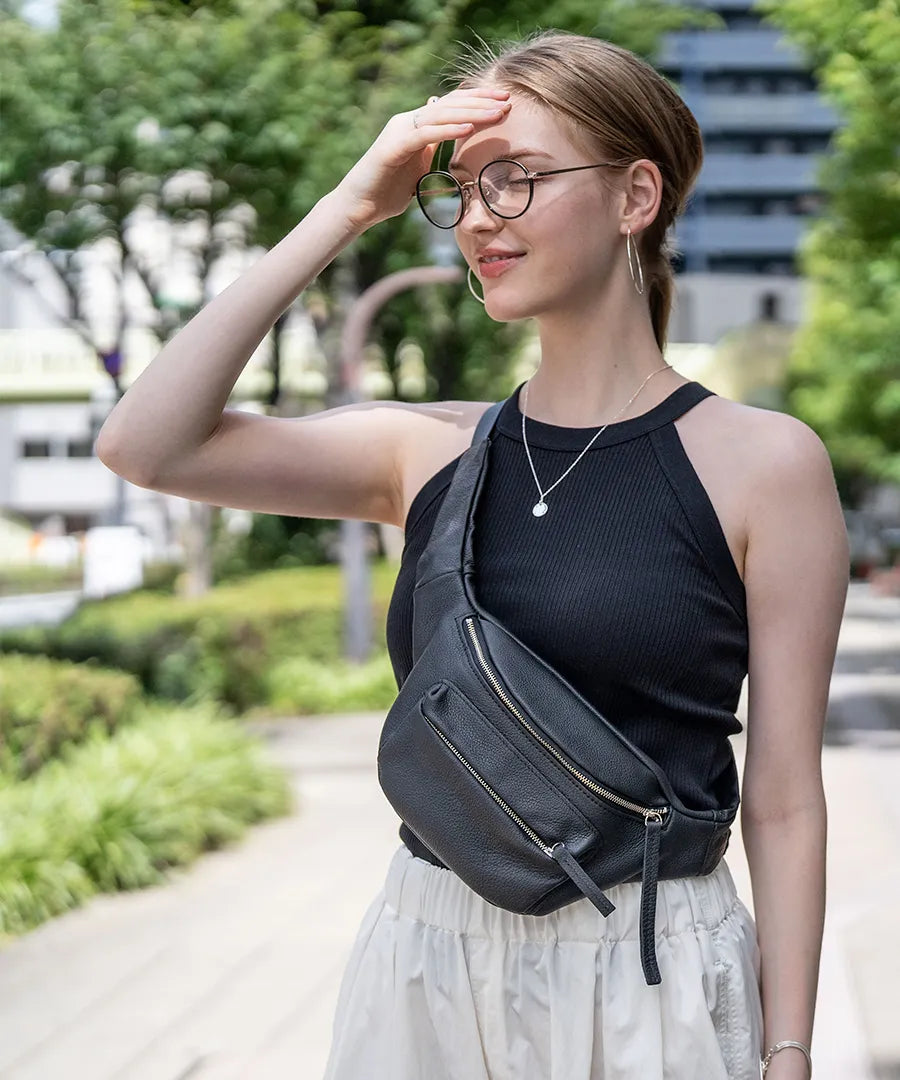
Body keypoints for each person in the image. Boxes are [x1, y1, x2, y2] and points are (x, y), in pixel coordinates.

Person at [97, 28, 848, 1080]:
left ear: (637, 197)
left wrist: (788, 1048)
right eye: (461, 190)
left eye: (518, 180)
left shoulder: (765, 463)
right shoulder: (427, 451)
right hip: (429, 957)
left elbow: (781, 796)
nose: (480, 218)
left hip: (650, 973)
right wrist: (349, 207)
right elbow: (146, 443)